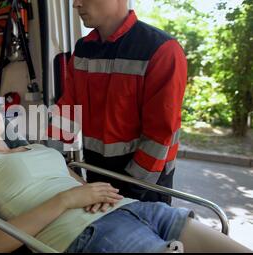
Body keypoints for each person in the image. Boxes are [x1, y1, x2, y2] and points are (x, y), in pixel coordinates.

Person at [0, 92, 250, 253]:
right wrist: (65, 201)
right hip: (88, 234)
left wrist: (100, 194)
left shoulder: (35, 148)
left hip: (137, 211)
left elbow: (78, 186)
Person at [52, 0, 188, 205]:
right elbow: (68, 110)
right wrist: (39, 152)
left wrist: (130, 189)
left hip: (145, 185)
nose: (76, 4)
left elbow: (159, 136)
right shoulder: (82, 49)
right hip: (97, 175)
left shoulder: (162, 50)